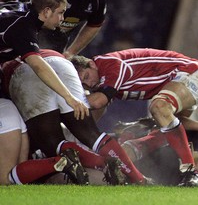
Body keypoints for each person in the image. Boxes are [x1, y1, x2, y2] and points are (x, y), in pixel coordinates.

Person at [1, 48, 152, 185]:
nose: (89, 83)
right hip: (60, 62)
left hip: (24, 71)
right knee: (92, 135)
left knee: (54, 145)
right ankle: (138, 178)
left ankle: (96, 163)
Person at [69, 48, 198, 186]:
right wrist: (77, 139)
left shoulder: (108, 63)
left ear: (92, 64)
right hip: (182, 80)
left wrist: (66, 100)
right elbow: (93, 113)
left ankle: (191, 172)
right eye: (83, 85)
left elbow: (98, 101)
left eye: (87, 76)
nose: (89, 84)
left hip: (190, 73)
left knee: (159, 108)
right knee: (165, 125)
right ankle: (148, 168)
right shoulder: (100, 79)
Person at [0, 0, 88, 120]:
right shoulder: (24, 26)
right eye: (61, 13)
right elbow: (38, 66)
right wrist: (69, 97)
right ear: (46, 11)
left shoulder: (19, 8)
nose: (62, 19)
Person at [0, 98, 92, 185]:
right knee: (18, 178)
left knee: (5, 180)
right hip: (10, 109)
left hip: (4, 114)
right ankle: (63, 161)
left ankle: (61, 161)